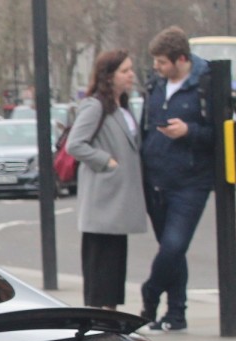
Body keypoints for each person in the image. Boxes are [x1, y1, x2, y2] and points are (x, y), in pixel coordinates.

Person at [139, 26, 215, 332]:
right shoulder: (155, 85)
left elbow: (219, 134)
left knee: (173, 246)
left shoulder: (206, 85)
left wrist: (189, 131)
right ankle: (176, 313)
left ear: (181, 59)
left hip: (191, 181)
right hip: (156, 179)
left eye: (162, 62)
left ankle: (150, 292)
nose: (156, 67)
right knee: (173, 252)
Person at [67, 50, 147, 310]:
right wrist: (106, 161)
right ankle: (97, 318)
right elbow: (75, 144)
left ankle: (111, 316)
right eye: (125, 71)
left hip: (118, 199)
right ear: (108, 76)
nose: (131, 75)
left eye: (131, 69)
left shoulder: (124, 107)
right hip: (102, 199)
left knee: (115, 261)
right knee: (99, 261)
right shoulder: (95, 105)